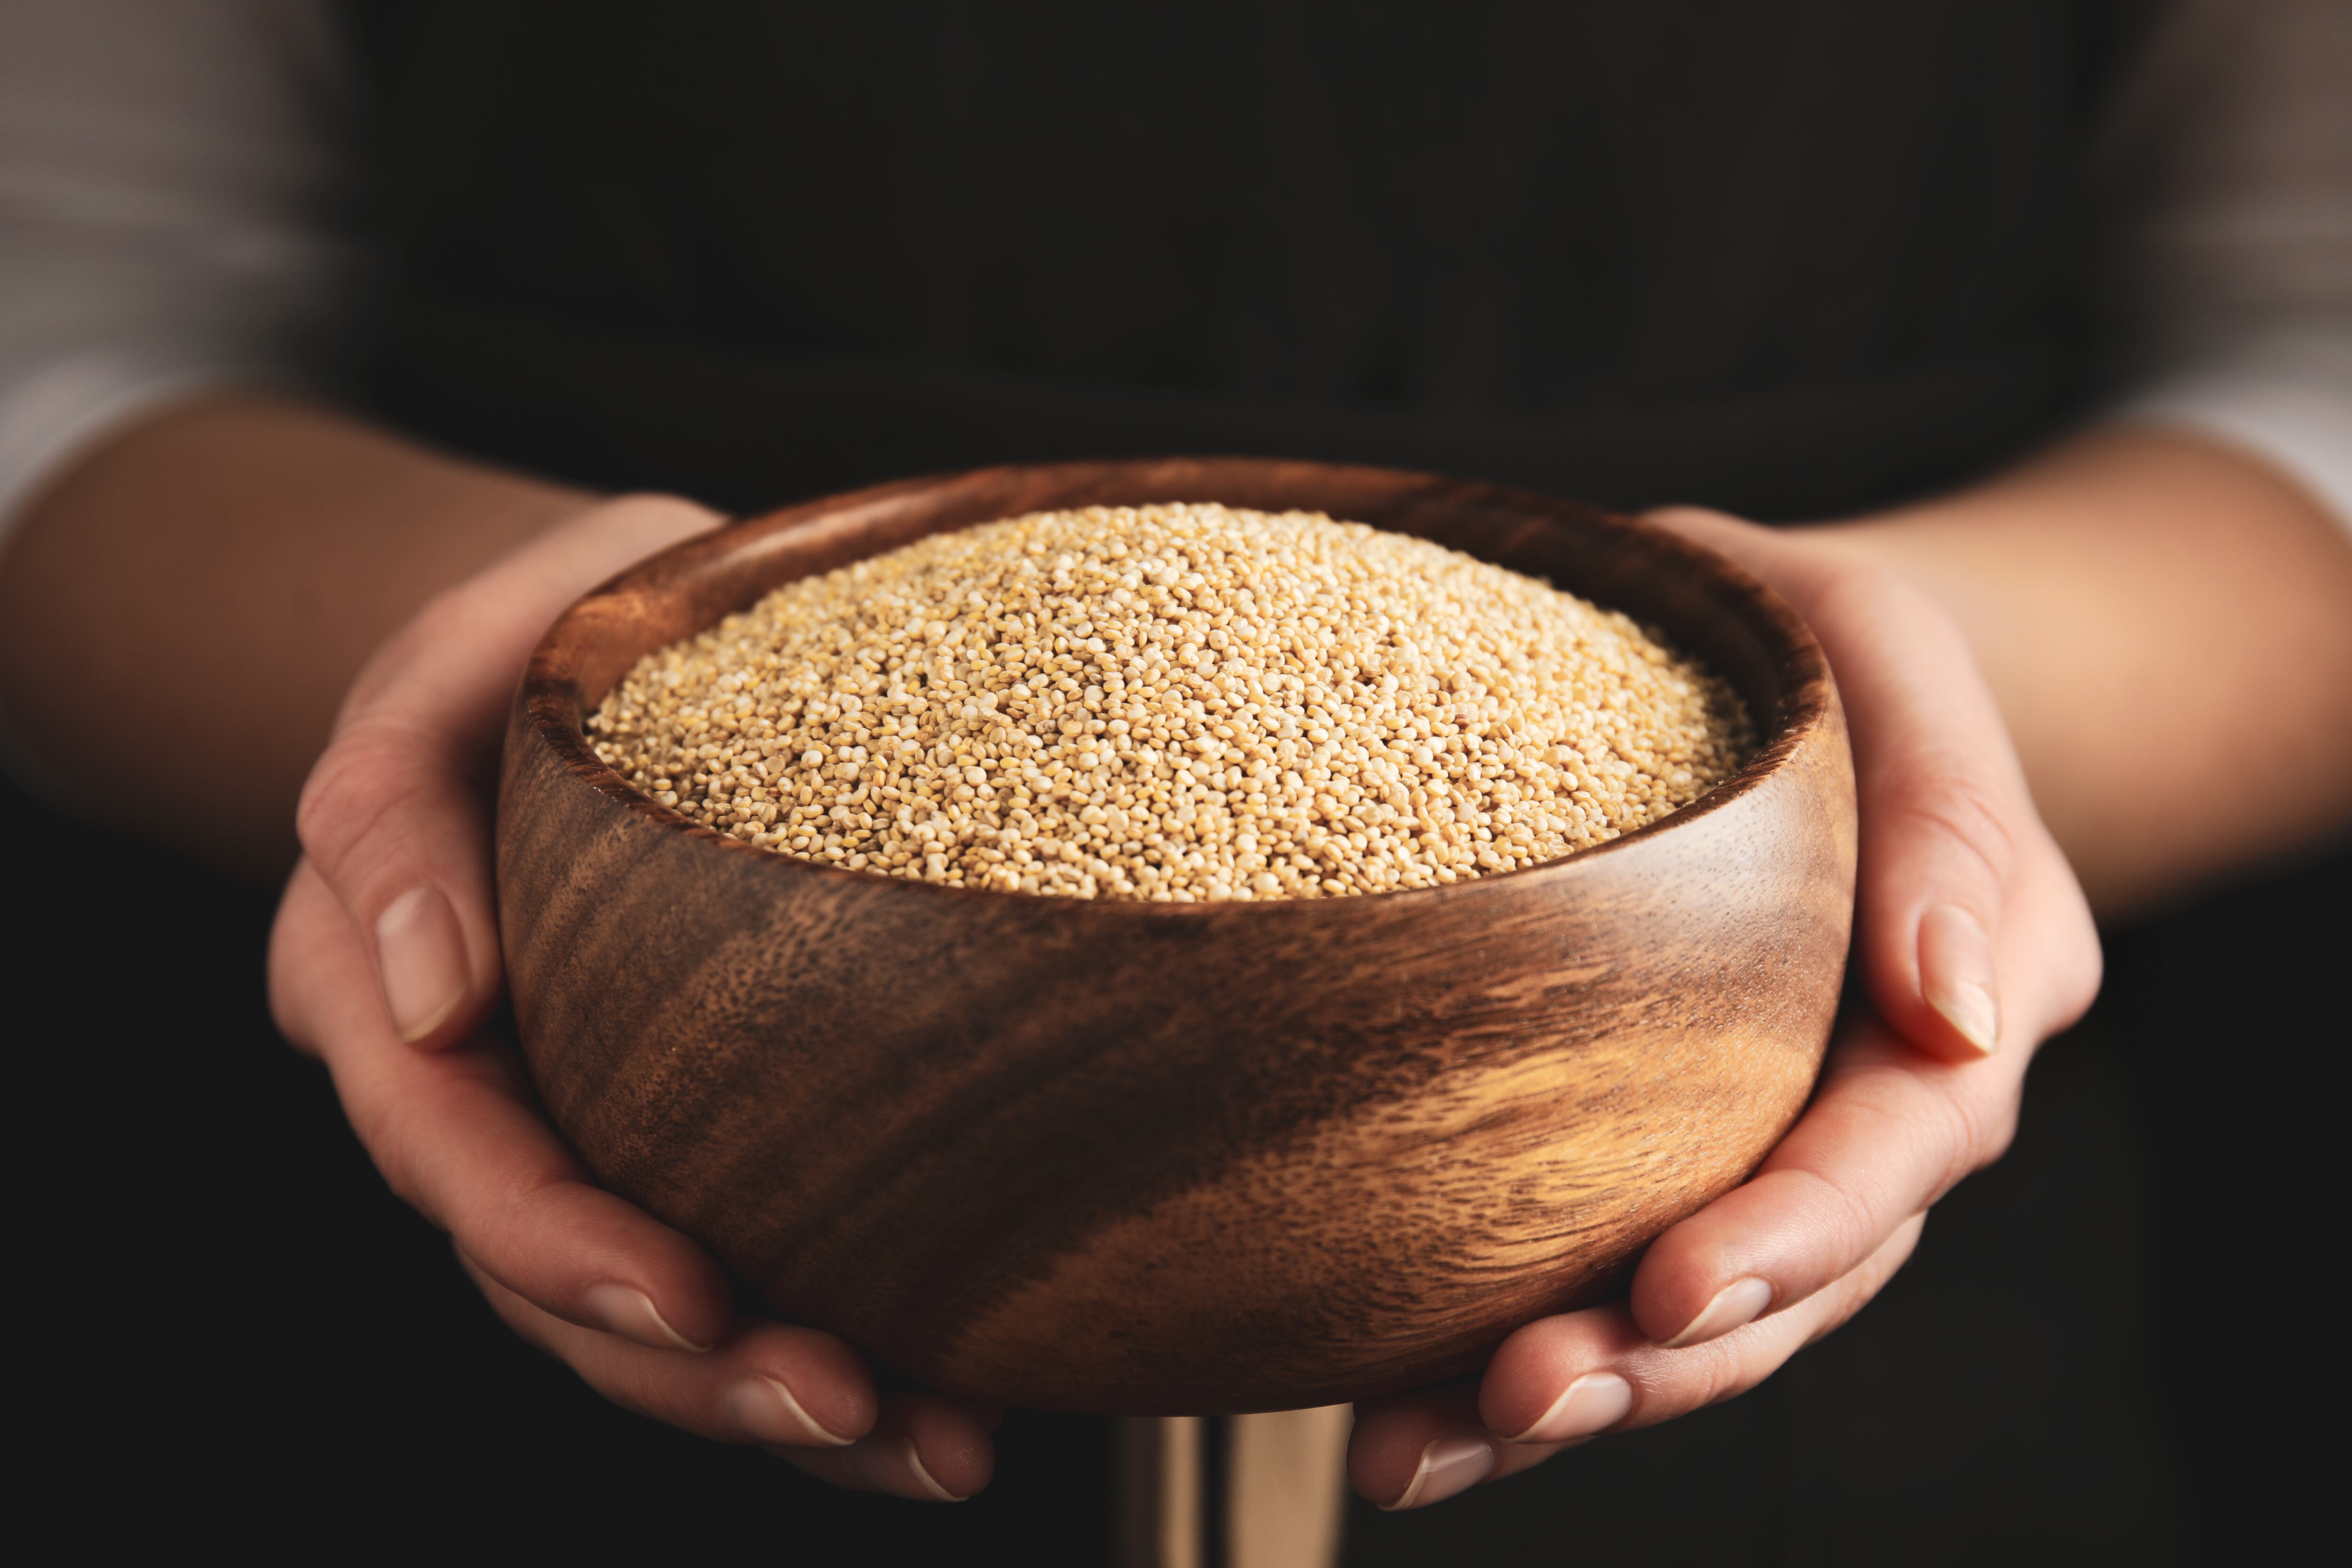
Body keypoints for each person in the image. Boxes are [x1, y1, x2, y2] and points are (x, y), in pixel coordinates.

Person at [2, 0, 2347, 1560]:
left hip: (1867, 1404)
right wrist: (473, 720)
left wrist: (1892, 756)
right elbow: (70, 322)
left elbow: (2309, 348)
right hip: (447, 1388)